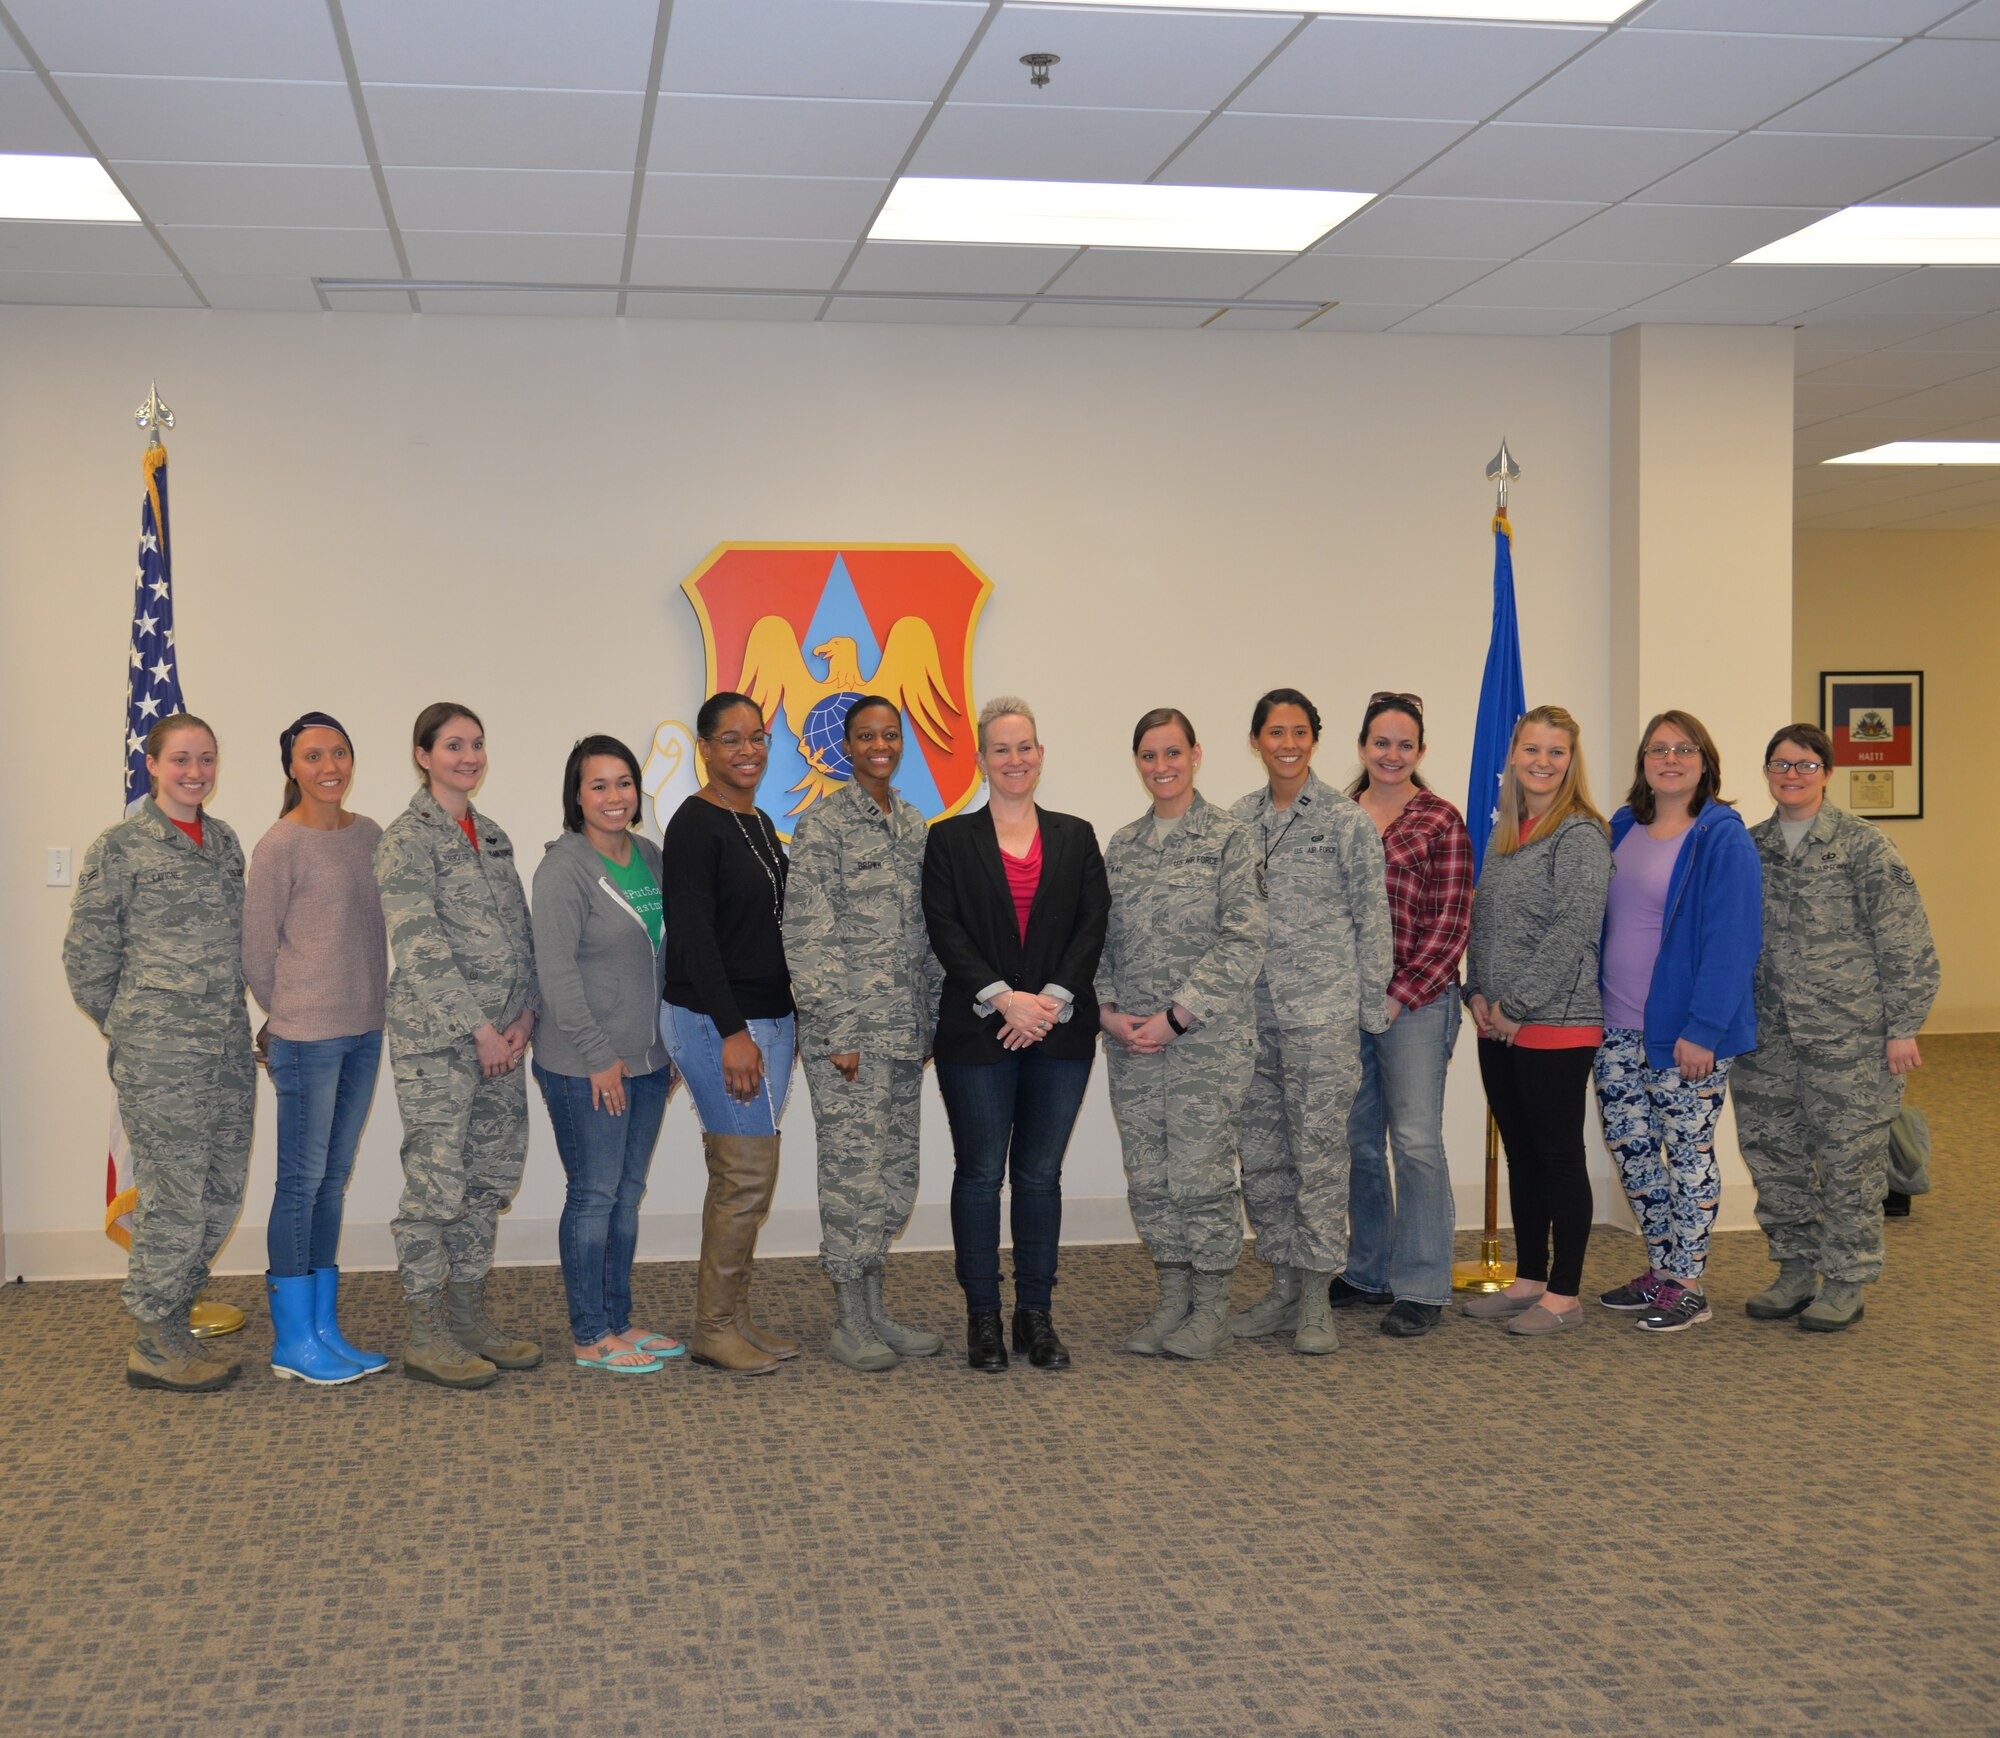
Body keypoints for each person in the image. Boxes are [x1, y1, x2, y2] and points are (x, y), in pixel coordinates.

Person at [64, 714, 256, 1393]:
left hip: (227, 1049)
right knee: (175, 1195)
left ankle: (178, 1314)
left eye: (206, 758)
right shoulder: (120, 847)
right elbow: (86, 956)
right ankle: (155, 1336)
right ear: (152, 765)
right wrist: (135, 1028)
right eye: (180, 759)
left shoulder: (226, 842)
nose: (195, 771)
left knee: (222, 1188)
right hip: (161, 1057)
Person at [1731, 723, 1939, 1332]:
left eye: (1803, 764)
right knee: (1775, 1155)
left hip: (1849, 1038)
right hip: (1767, 1036)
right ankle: (1795, 1270)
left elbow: (1907, 941)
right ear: (1766, 772)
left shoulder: (1862, 846)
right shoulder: (1750, 846)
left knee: (1850, 1162)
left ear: (1827, 772)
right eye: (1779, 764)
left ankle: (1846, 1281)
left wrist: (1903, 1026)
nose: (1790, 775)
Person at [923, 696, 1110, 1373]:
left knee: (1038, 1179)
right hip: (976, 1034)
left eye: (1025, 746)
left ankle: (1036, 1316)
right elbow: (946, 929)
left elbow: (1092, 926)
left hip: (1058, 1035)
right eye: (1000, 749)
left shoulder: (1077, 835)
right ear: (980, 760)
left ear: (1040, 753)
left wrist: (1049, 1003)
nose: (1015, 759)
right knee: (979, 1176)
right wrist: (1005, 1001)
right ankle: (982, 1318)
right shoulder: (948, 840)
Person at [375, 702, 540, 1390]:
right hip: (441, 1044)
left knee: (485, 1183)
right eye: (452, 746)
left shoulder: (492, 836)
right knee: (435, 1186)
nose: (467, 756)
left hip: (505, 1042)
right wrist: (479, 1030)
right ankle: (425, 1333)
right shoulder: (405, 839)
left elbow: (520, 936)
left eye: (475, 745)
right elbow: (419, 946)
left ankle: (470, 1317)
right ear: (423, 754)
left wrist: (523, 1019)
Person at [1098, 708, 1267, 1361]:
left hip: (1204, 1044)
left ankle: (1213, 1309)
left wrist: (1177, 1017)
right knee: (1149, 1177)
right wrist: (1109, 1012)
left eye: (1172, 753)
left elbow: (1243, 941)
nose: (1161, 767)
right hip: (1133, 1043)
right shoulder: (1122, 846)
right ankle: (1172, 1301)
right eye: (1148, 755)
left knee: (1199, 1176)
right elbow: (1101, 943)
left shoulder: (1230, 839)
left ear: (1196, 754)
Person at [1227, 689, 1393, 1356]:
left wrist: (1369, 1007)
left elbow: (1371, 918)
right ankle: (1283, 1285)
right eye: (1275, 732)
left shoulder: (1346, 822)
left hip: (1322, 1018)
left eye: (1298, 731)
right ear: (1257, 741)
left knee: (1319, 1159)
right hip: (1251, 1020)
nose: (1287, 743)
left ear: (1314, 740)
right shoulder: (1236, 823)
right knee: (1263, 1160)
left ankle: (1319, 1295)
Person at [785, 695, 945, 1373]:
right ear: (844, 747)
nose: (880, 745)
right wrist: (836, 1029)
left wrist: (934, 1017)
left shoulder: (913, 824)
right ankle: (850, 1320)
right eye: (866, 737)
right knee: (852, 1178)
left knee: (893, 1177)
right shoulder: (823, 825)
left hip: (905, 1037)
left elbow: (934, 932)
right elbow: (806, 934)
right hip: (849, 1039)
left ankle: (877, 1308)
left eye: (890, 735)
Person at [1593, 711, 1761, 1334]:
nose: (1670, 758)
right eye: (1658, 749)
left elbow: (1732, 941)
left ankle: (1689, 1283)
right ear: (1643, 761)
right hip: (1614, 1029)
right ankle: (1663, 1271)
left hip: (1685, 1035)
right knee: (1635, 1153)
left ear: (1704, 759)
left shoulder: (1722, 837)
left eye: (1683, 748)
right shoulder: (1620, 827)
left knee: (1687, 1156)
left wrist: (1705, 1030)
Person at [242, 711, 388, 1384]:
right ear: (292, 768)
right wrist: (288, 1011)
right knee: (300, 1185)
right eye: (312, 756)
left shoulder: (370, 837)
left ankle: (324, 1330)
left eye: (338, 752)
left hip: (364, 1029)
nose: (328, 765)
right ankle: (291, 1344)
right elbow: (256, 952)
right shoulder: (280, 844)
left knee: (332, 1180)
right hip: (307, 1036)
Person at [1460, 705, 1612, 1338]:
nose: (1543, 762)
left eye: (1556, 752)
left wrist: (1515, 1007)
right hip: (1498, 1023)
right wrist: (1476, 994)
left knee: (1557, 1157)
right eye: (1531, 750)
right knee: (1521, 1154)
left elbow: (1570, 931)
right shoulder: (1507, 833)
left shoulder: (1579, 834)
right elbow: (1487, 925)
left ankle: (1566, 1294)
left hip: (1555, 1021)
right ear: (1513, 757)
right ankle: (1529, 1277)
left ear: (1571, 762)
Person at [532, 735, 681, 1374]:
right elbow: (556, 973)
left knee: (626, 1192)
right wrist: (598, 1055)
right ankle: (590, 1334)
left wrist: (669, 1043)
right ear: (577, 794)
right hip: (584, 1063)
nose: (614, 797)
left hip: (646, 1061)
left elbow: (667, 955)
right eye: (599, 785)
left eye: (624, 783)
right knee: (593, 1194)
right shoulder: (562, 869)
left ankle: (619, 1320)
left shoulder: (650, 855)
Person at [661, 692, 798, 1376]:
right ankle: (713, 1327)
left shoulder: (759, 821)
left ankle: (735, 1317)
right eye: (731, 740)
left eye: (758, 737)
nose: (748, 750)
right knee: (743, 1175)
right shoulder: (694, 826)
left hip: (768, 1020)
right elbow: (693, 937)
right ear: (704, 749)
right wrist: (732, 1030)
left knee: (752, 1175)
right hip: (723, 1023)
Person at [1340, 692, 1472, 1339]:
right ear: (1362, 746)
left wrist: (1395, 995)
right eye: (1380, 742)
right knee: (1358, 1143)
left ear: (1421, 751)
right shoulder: (1337, 817)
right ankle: (1367, 1271)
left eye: (1404, 744)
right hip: (1344, 1007)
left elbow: (1450, 925)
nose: (1391, 754)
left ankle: (1421, 1284)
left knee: (1415, 1141)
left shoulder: (1440, 821)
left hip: (1417, 1004)